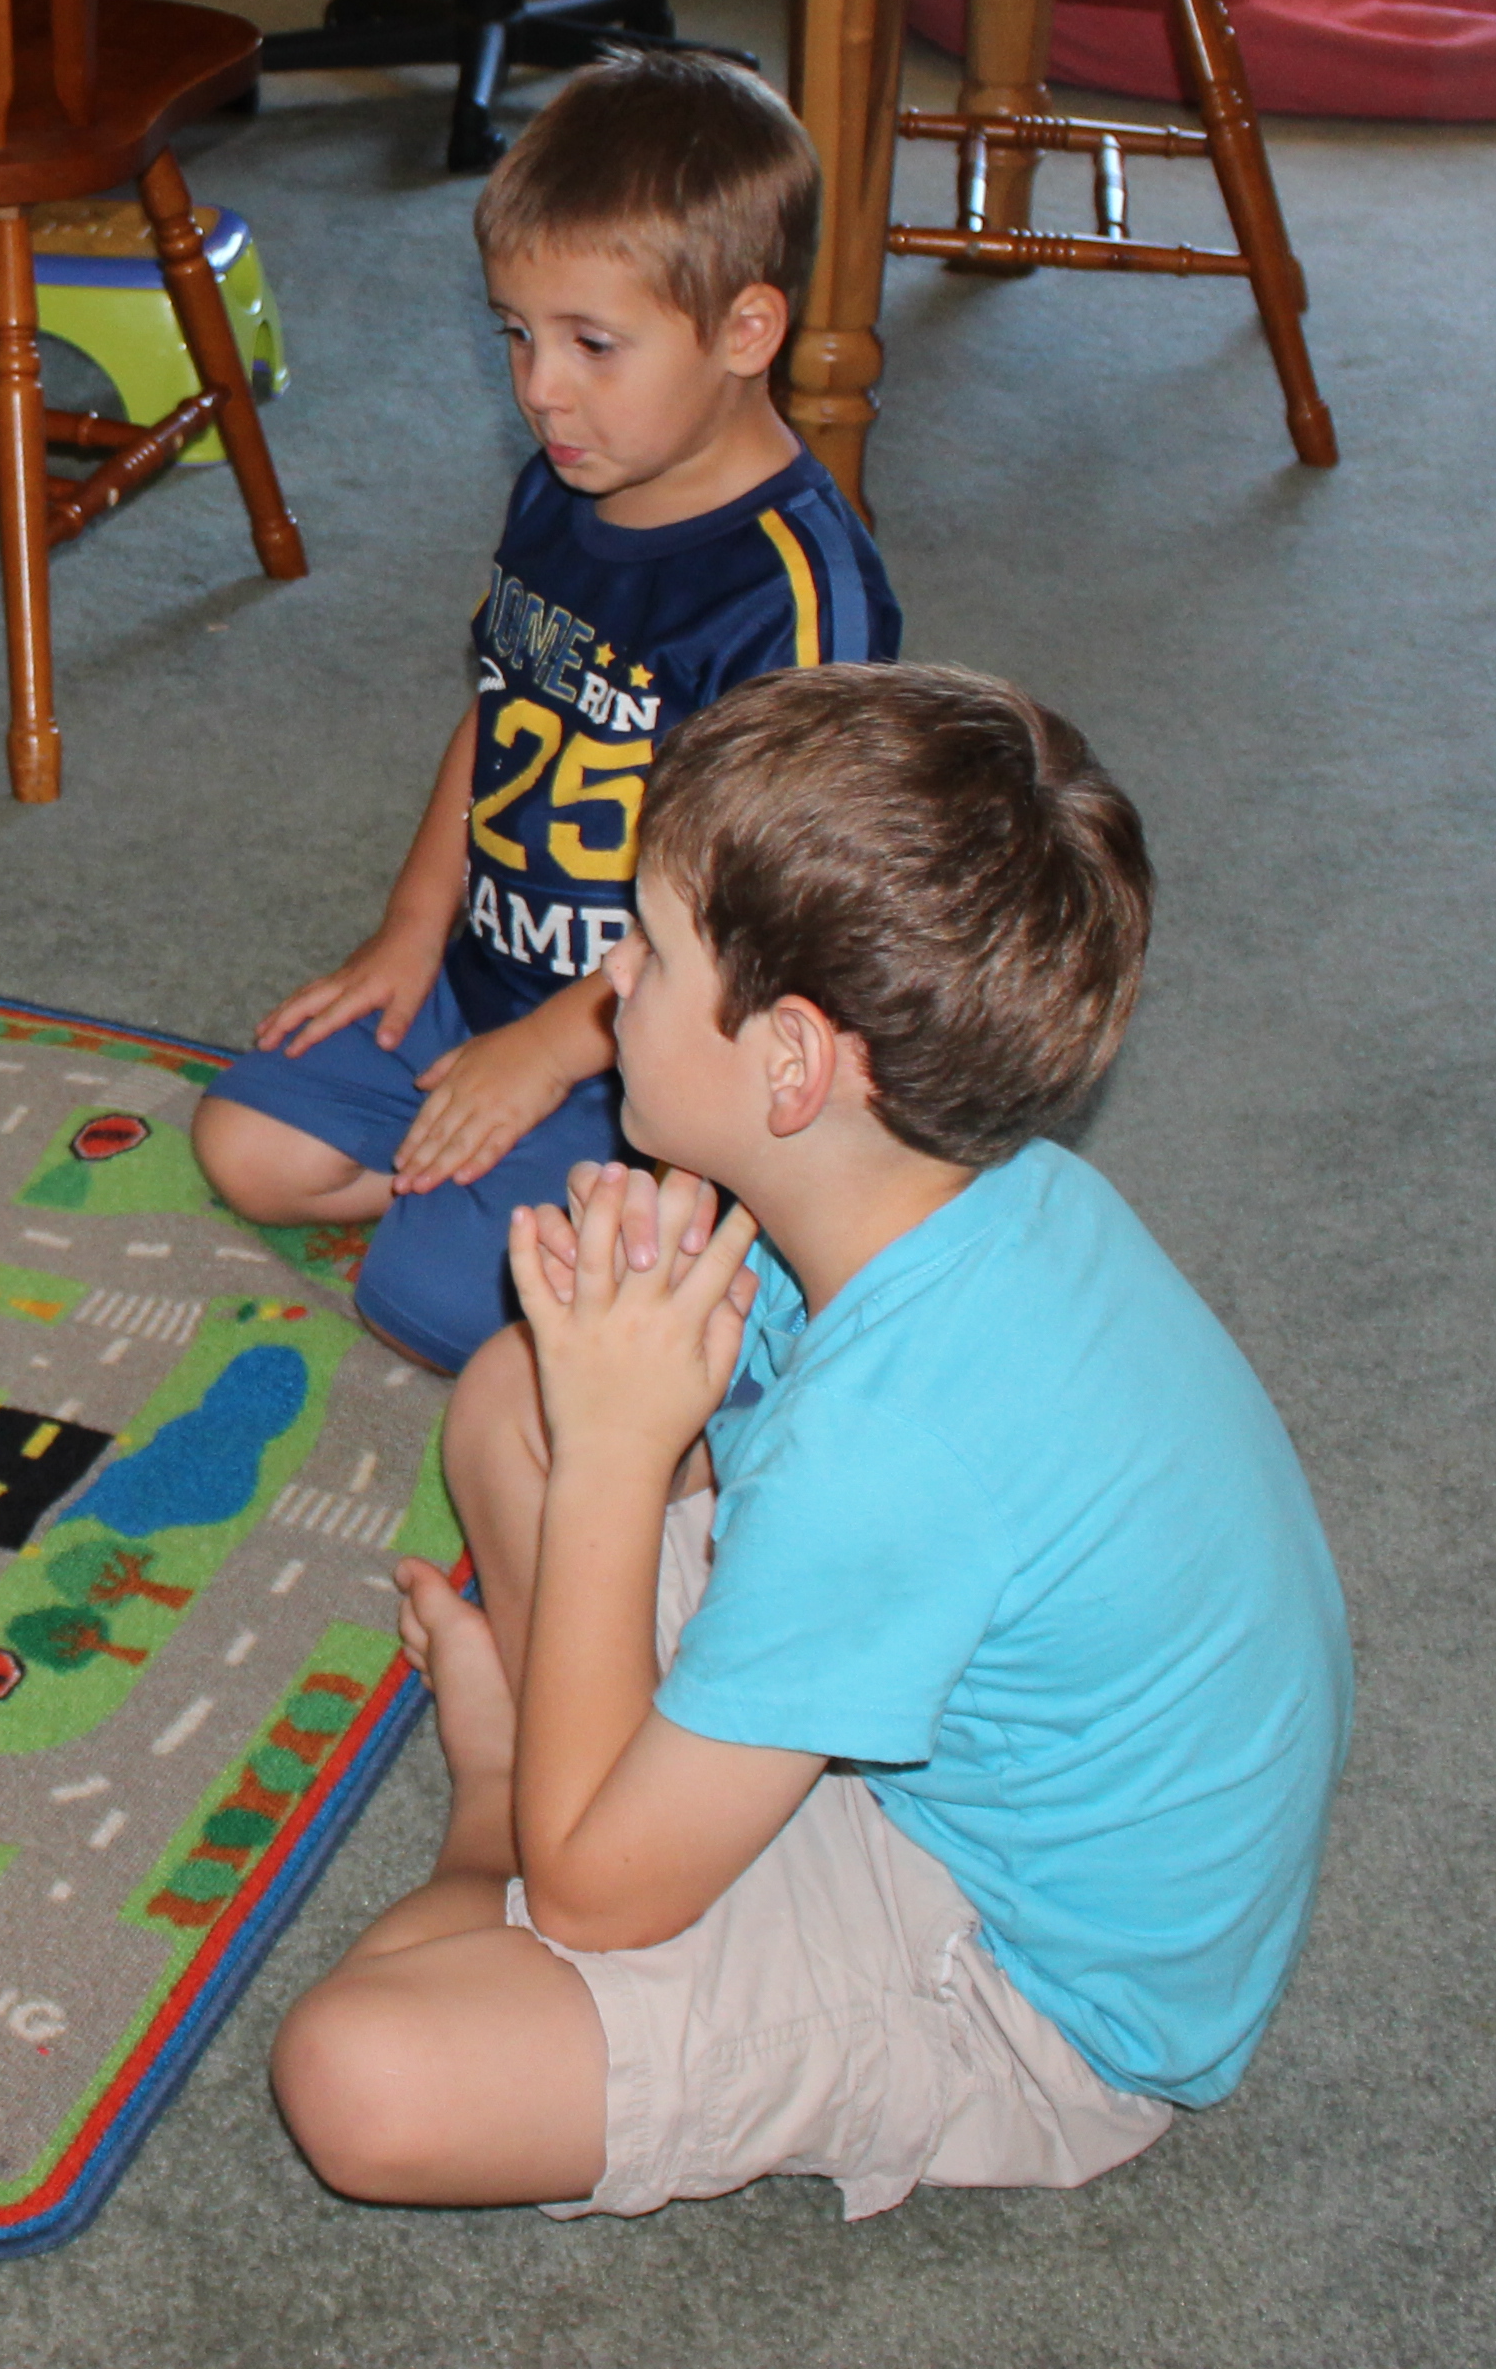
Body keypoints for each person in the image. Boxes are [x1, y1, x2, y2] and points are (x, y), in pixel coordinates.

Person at [264, 663, 1353, 2218]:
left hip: (1017, 1970)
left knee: (366, 2072)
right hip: (928, 1701)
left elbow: (597, 1902)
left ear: (791, 1064)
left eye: (647, 943)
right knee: (518, 1396)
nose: (602, 982)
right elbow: (782, 1438)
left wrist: (633, 1452)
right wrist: (641, 1345)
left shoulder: (895, 1452)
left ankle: (489, 1813)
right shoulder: (942, 1190)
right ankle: (564, 1772)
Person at [191, 52, 895, 1372]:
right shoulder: (563, 485)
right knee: (246, 1150)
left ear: (748, 332)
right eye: (517, 332)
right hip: (485, 983)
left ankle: (708, 1248)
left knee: (439, 1306)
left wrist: (549, 1054)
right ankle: (503, 1179)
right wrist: (410, 932)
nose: (539, 389)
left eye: (590, 344)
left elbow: (763, 922)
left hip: (666, 1055)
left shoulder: (800, 604)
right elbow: (499, 708)